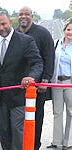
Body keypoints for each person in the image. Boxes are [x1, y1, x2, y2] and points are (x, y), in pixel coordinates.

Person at [0, 11, 43, 150]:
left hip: (18, 98)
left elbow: (37, 63)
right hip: (1, 99)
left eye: (4, 24)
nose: (1, 27)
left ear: (11, 23)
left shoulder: (25, 41)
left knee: (18, 134)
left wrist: (32, 77)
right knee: (4, 134)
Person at [15, 6, 55, 150]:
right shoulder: (15, 33)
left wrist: (46, 79)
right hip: (19, 87)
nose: (23, 17)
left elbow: (49, 57)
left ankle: (35, 145)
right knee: (20, 119)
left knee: (36, 118)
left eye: (26, 14)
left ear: (32, 16)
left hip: (38, 87)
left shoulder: (43, 33)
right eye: (21, 14)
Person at [48, 19, 72, 150]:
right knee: (57, 112)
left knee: (71, 111)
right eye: (68, 29)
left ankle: (68, 142)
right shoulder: (57, 44)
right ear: (64, 30)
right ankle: (57, 142)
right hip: (57, 81)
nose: (70, 32)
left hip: (70, 83)